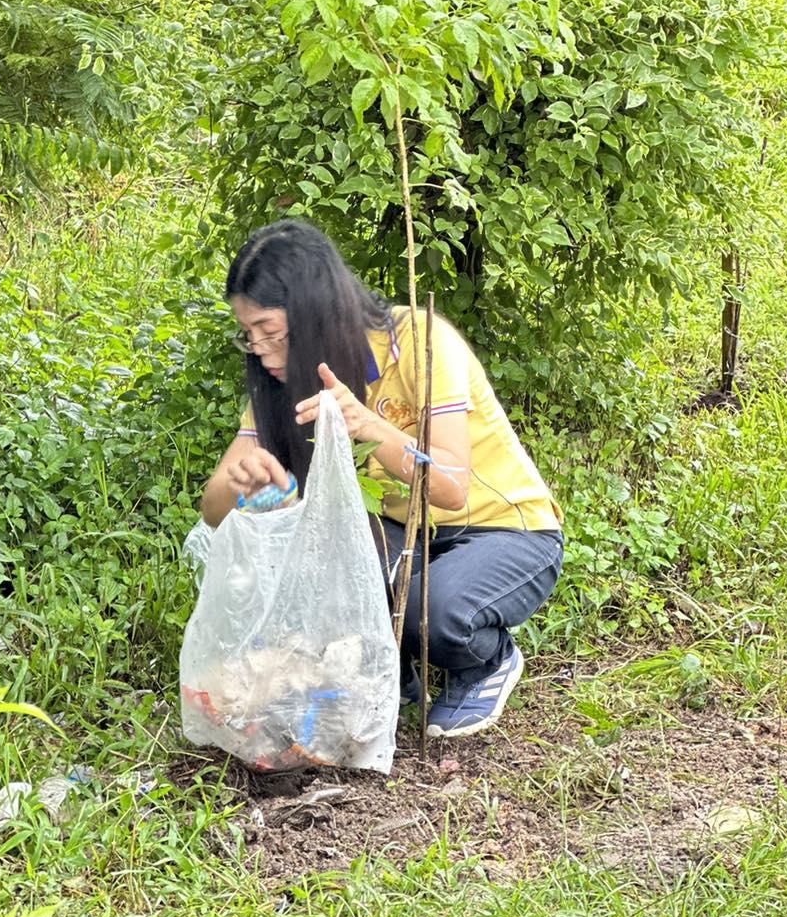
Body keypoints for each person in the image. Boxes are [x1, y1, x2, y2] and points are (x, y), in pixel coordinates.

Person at [200, 219, 563, 740]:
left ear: (314, 313)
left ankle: (486, 660)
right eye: (248, 334)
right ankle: (394, 676)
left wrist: (370, 425)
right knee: (314, 576)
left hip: (503, 529)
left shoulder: (417, 340)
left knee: (432, 611)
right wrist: (242, 483)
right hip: (401, 532)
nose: (258, 349)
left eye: (269, 331)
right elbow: (213, 511)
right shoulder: (282, 381)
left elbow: (451, 488)